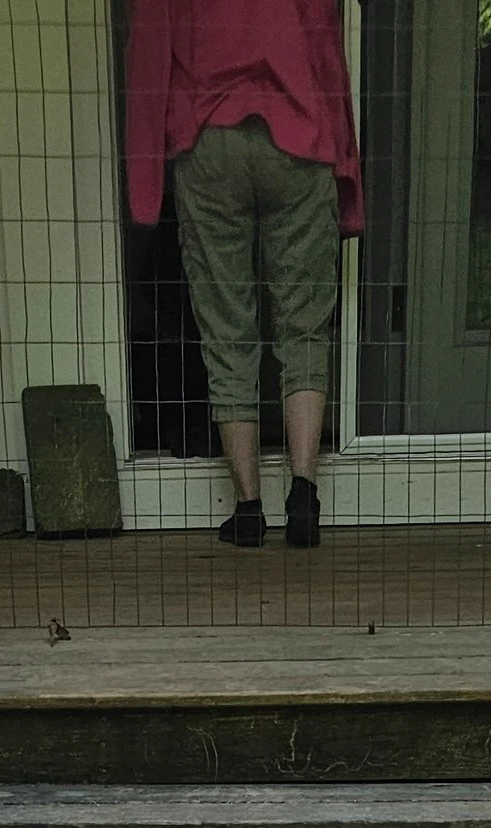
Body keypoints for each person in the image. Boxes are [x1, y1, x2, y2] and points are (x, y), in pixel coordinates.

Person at [124, 0, 360, 550]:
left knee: (226, 324)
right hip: (300, 132)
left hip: (208, 137)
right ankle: (303, 494)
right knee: (304, 323)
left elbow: (150, 52)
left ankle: (248, 509)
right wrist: (346, 172)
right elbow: (326, 50)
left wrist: (145, 182)